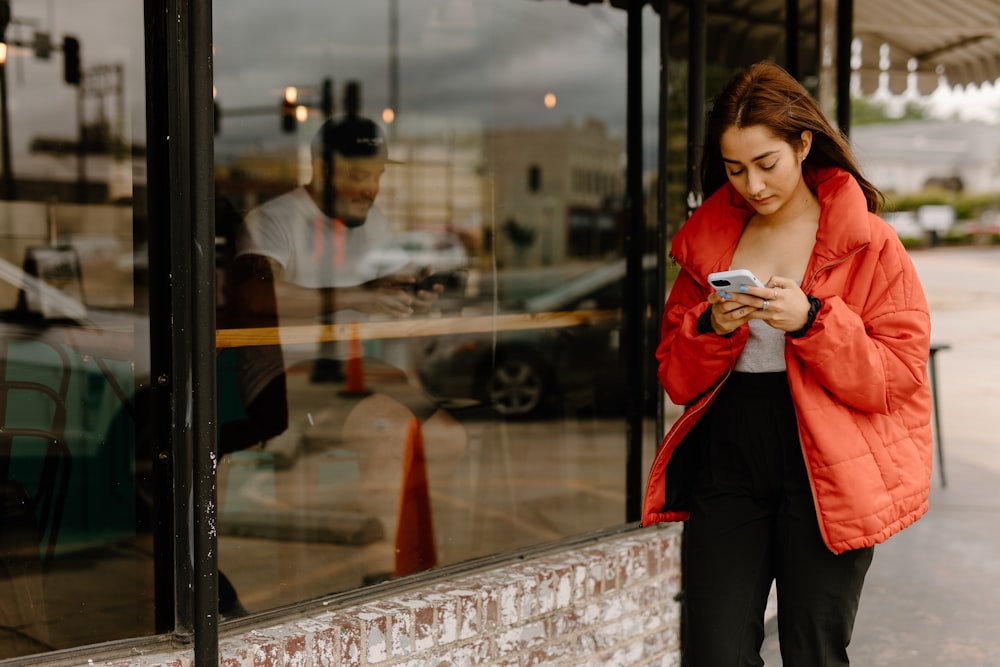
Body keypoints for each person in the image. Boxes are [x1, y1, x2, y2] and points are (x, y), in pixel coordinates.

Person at [641, 61, 933, 666]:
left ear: (803, 144)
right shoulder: (705, 246)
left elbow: (897, 377)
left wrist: (812, 320)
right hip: (731, 457)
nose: (751, 184)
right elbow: (674, 375)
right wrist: (711, 327)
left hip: (828, 461)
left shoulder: (869, 241)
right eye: (734, 169)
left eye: (766, 163)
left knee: (812, 650)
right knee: (714, 651)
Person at [221, 97, 437, 457]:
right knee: (393, 435)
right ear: (322, 170)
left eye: (376, 176)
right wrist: (358, 295)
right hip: (285, 378)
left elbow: (394, 281)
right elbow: (256, 298)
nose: (370, 189)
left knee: (446, 437)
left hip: (354, 369)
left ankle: (374, 511)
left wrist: (415, 292)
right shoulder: (274, 221)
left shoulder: (374, 221)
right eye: (357, 175)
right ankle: (372, 511)